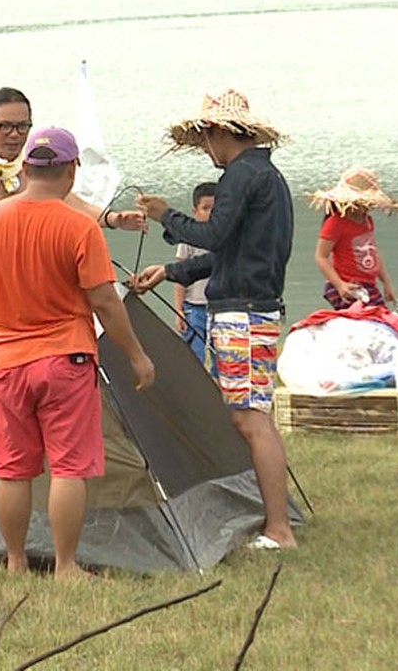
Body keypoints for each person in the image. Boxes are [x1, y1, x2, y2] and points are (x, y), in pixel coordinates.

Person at [0, 126, 154, 579]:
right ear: (71, 170)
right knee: (68, 467)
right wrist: (136, 354)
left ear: (26, 168)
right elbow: (104, 300)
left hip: (7, 361)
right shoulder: (80, 227)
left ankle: (15, 562)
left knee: (13, 469)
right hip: (65, 359)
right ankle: (66, 566)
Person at [131, 89, 298, 550]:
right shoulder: (266, 176)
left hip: (242, 312)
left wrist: (167, 215)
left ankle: (279, 530)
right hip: (254, 304)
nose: (206, 148)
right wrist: (170, 271)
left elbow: (212, 235)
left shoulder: (242, 176)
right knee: (250, 415)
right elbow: (229, 250)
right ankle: (276, 521)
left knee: (250, 419)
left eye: (206, 138)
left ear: (222, 132)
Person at [0, 87, 146, 230]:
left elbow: (75, 204)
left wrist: (114, 219)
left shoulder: (35, 169)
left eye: (23, 126)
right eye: (6, 126)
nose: (14, 134)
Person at [308, 166, 398, 310]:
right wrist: (340, 285)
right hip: (347, 284)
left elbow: (373, 253)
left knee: (382, 317)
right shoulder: (336, 223)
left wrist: (386, 283)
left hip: (368, 286)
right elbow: (321, 257)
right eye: (361, 202)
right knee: (360, 315)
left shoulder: (367, 221)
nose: (366, 207)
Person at [172, 182, 215, 367]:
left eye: (216, 209)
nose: (210, 213)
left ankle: (218, 390)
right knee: (193, 355)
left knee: (221, 356)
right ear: (195, 210)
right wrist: (179, 310)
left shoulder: (225, 237)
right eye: (205, 208)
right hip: (194, 307)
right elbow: (180, 277)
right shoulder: (189, 238)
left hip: (218, 308)